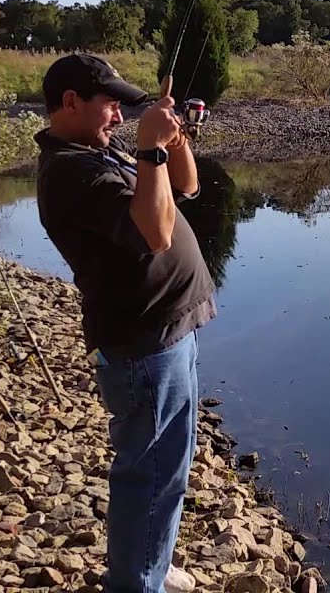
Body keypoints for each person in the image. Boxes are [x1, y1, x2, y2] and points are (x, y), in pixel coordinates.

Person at [33, 53, 216, 593]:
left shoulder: (98, 147)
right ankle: (136, 582)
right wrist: (150, 146)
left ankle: (149, 567)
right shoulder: (70, 170)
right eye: (110, 105)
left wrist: (173, 138)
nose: (118, 117)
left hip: (170, 331)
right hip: (143, 345)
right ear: (70, 103)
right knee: (150, 474)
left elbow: (185, 189)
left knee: (168, 469)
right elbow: (156, 234)